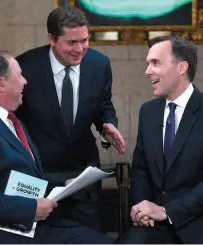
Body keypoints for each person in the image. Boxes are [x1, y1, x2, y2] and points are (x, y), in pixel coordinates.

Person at [0, 49, 114, 244]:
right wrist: (30, 209)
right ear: (0, 84)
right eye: (19, 75)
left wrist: (62, 186)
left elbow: (18, 179)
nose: (25, 81)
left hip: (30, 229)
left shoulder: (12, 122)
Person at [116, 36, 203, 244]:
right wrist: (142, 207)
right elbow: (141, 169)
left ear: (182, 67)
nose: (147, 71)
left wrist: (166, 211)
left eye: (155, 63)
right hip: (155, 226)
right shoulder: (148, 112)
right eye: (148, 64)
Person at [15, 6, 125, 232]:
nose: (80, 49)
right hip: (39, 178)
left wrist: (108, 127)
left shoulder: (99, 64)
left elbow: (103, 105)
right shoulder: (24, 67)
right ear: (51, 39)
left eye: (84, 40)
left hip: (82, 178)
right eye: (71, 43)